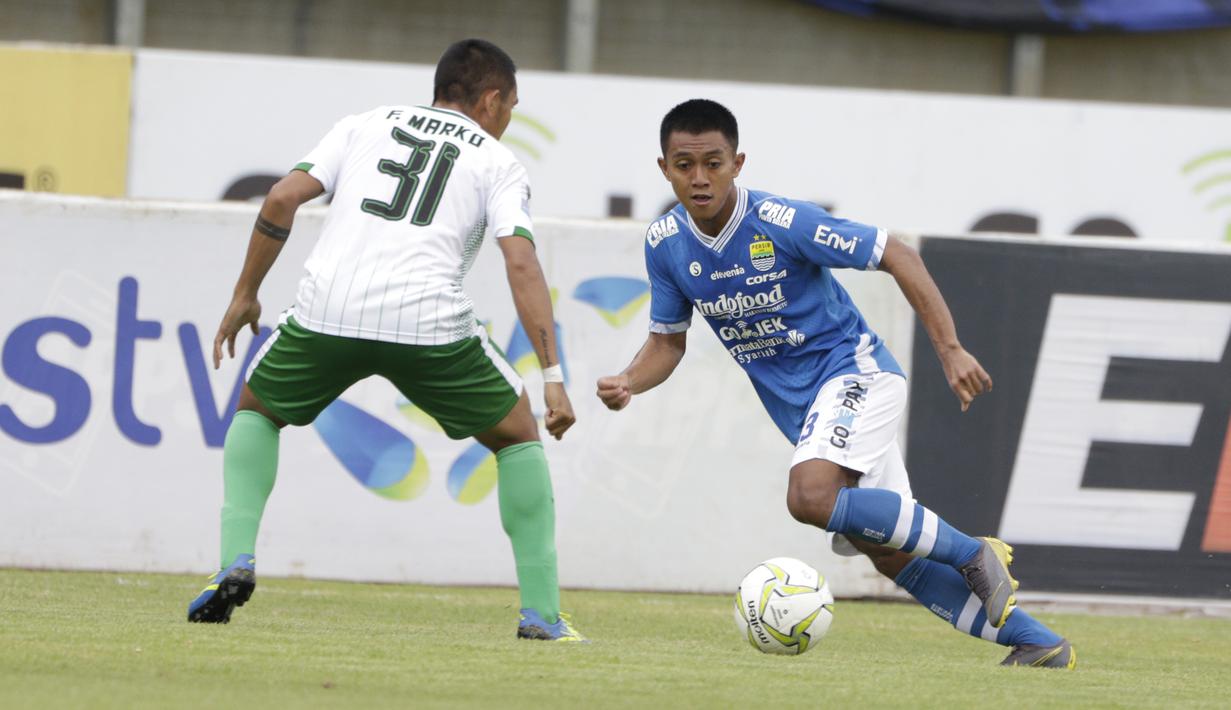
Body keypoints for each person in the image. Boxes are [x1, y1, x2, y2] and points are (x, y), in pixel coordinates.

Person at [597, 99, 1073, 668]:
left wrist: (949, 350)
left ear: (738, 163)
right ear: (664, 168)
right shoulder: (666, 243)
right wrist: (629, 379)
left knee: (811, 496)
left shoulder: (781, 221)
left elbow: (896, 252)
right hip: (809, 415)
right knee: (888, 553)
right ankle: (1037, 642)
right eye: (684, 164)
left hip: (855, 376)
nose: (699, 178)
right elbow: (667, 343)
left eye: (713, 163)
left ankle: (976, 551)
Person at [188, 39, 585, 642]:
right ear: (491, 99)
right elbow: (521, 264)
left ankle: (234, 560)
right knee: (516, 436)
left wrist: (246, 293)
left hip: (328, 310)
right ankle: (541, 616)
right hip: (427, 323)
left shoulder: (363, 125)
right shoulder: (497, 162)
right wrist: (553, 377)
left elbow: (281, 199)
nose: (507, 120)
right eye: (511, 107)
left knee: (257, 409)